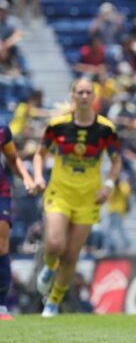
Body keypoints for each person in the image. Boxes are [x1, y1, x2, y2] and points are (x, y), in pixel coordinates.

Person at [34, 78, 122, 318]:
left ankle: (52, 303)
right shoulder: (57, 126)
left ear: (93, 97)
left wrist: (108, 186)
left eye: (88, 92)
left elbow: (116, 161)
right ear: (72, 95)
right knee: (54, 244)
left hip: (88, 198)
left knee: (71, 254)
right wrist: (39, 176)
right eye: (79, 92)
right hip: (60, 193)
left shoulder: (105, 129)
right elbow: (39, 154)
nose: (84, 96)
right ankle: (49, 267)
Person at [0, 122, 41, 320]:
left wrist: (26, 177)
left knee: (1, 246)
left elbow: (12, 158)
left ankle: (1, 306)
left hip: (1, 192)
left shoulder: (1, 129)